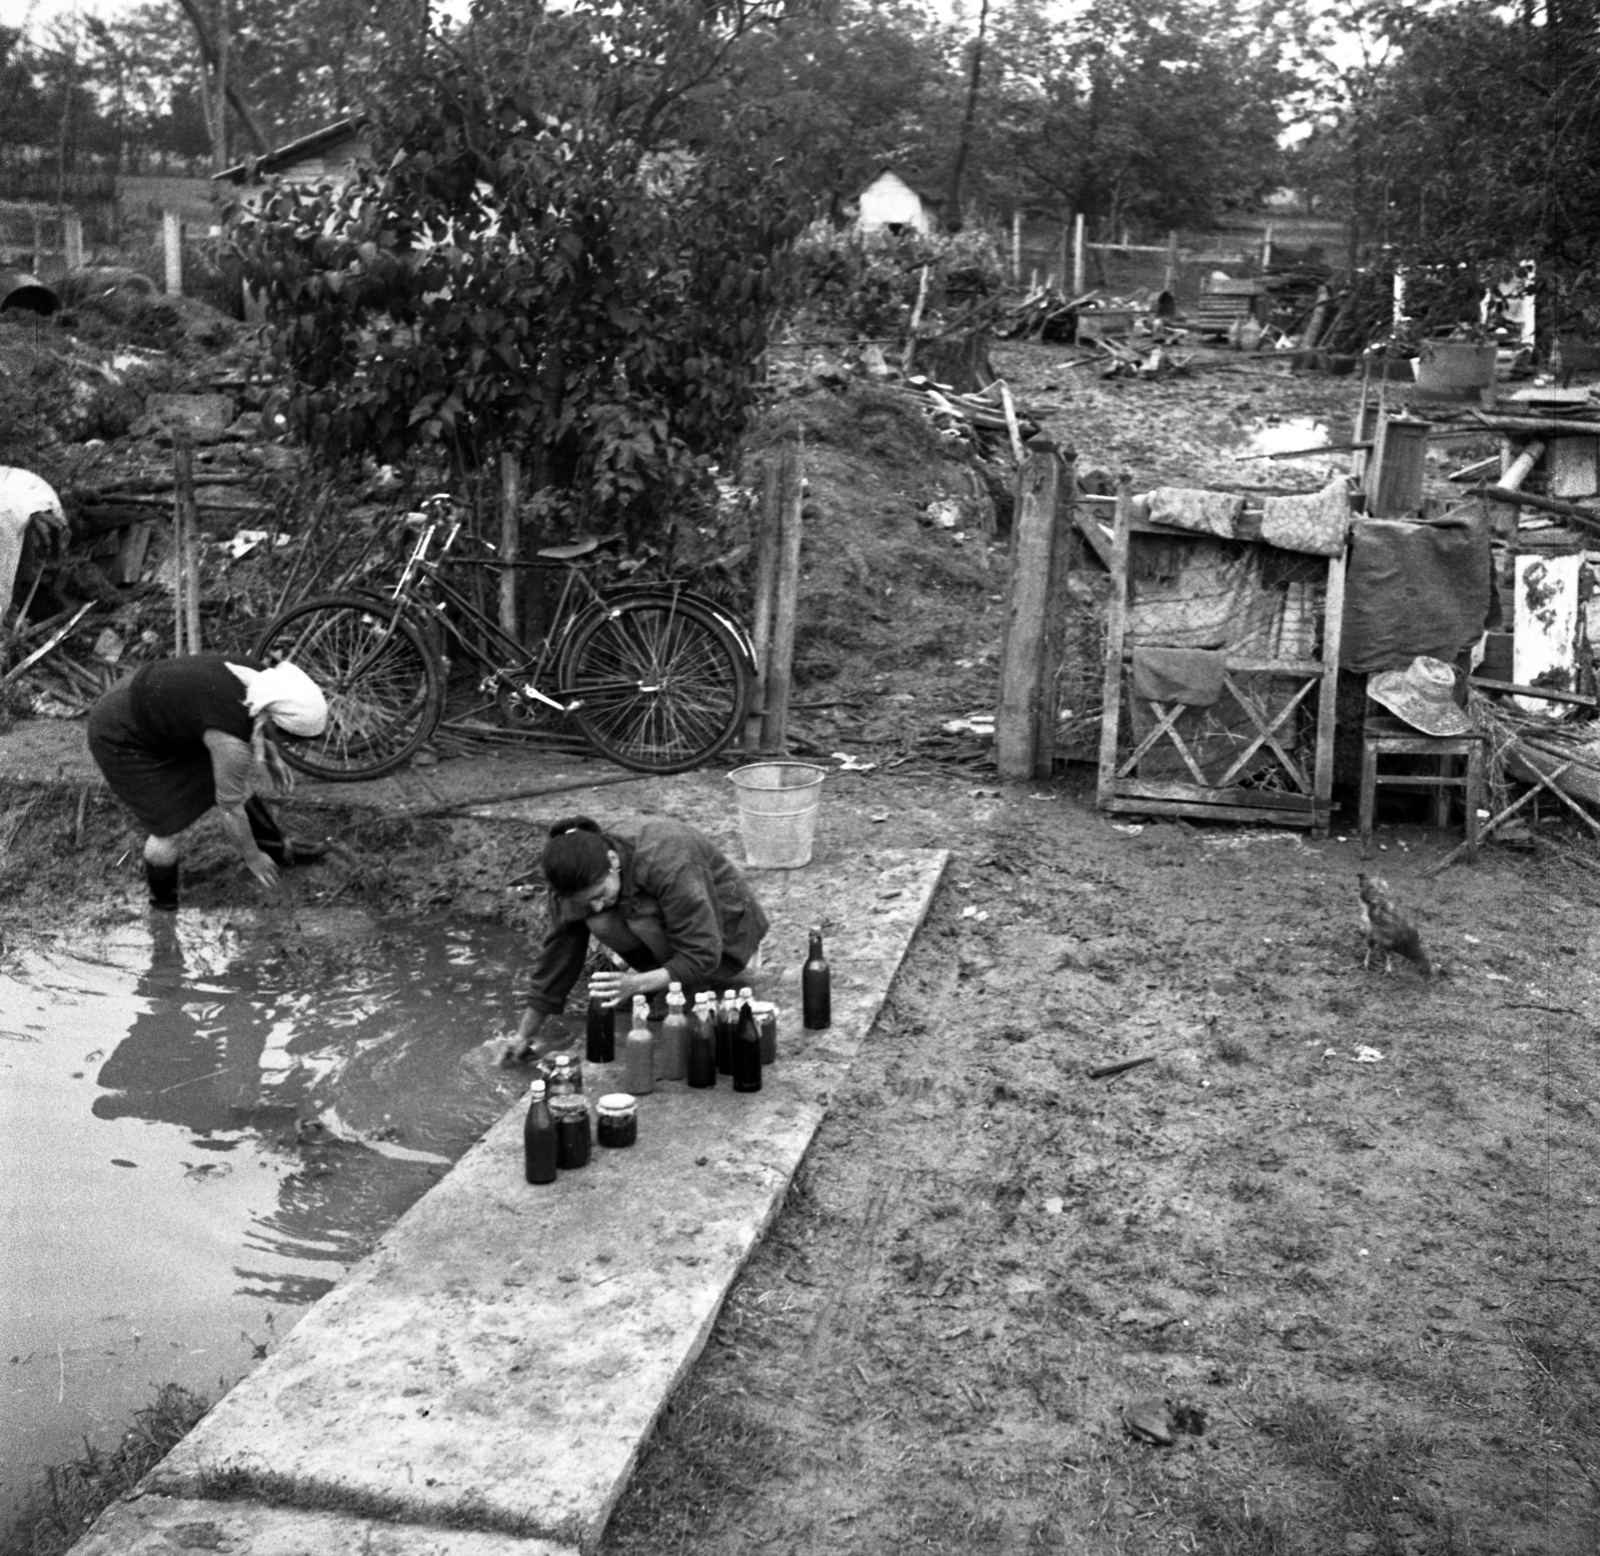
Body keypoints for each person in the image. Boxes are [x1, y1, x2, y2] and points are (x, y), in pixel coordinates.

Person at [504, 814, 769, 1063]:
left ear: (613, 861)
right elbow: (557, 961)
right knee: (600, 920)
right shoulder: (575, 881)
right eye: (586, 900)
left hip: (728, 939)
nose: (596, 904)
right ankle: (664, 979)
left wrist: (636, 983)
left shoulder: (666, 860)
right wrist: (523, 1035)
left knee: (636, 916)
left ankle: (680, 987)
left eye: (599, 894)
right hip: (681, 934)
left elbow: (703, 953)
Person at [86, 654, 331, 910]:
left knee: (233, 779)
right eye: (292, 740)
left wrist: (271, 758)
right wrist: (252, 857)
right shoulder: (231, 740)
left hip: (160, 710)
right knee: (168, 828)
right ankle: (163, 910)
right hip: (120, 732)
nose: (294, 747)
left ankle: (280, 851)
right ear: (276, 722)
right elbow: (229, 808)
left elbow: (256, 720)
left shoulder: (263, 682)